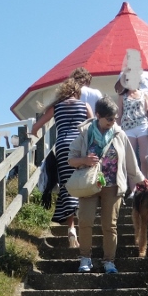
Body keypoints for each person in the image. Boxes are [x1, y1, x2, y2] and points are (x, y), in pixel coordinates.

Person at [68, 97, 148, 273]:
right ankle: (85, 258)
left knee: (110, 225)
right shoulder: (85, 133)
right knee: (85, 221)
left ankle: (109, 261)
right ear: (98, 115)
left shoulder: (120, 135)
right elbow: (71, 159)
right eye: (109, 118)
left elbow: (131, 162)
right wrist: (84, 160)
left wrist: (140, 179)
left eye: (115, 118)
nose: (113, 122)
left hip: (112, 185)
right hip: (88, 184)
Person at [30, 77, 93, 246]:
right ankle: (82, 222)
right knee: (82, 182)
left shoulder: (56, 107)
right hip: (79, 146)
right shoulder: (84, 105)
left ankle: (71, 227)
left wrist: (33, 135)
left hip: (63, 146)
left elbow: (36, 127)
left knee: (66, 185)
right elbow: (93, 128)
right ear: (77, 92)